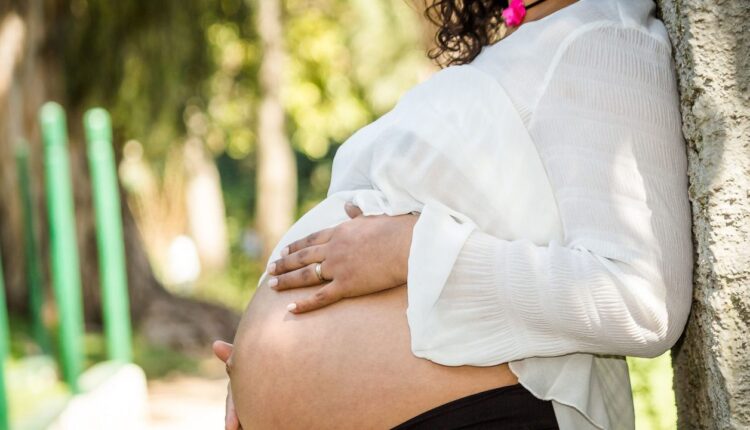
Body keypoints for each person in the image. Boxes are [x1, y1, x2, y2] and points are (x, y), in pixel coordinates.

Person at [213, 0, 694, 428]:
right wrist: (257, 372)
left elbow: (642, 300)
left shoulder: (603, 36)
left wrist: (409, 251)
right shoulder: (510, 51)